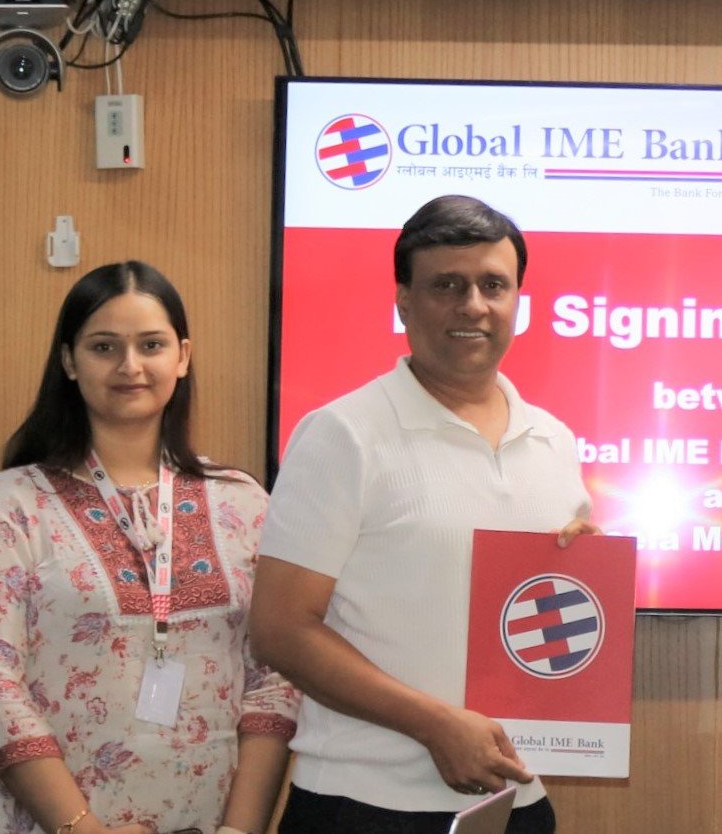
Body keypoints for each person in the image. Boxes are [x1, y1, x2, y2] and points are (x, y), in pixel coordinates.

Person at [251, 195, 596, 834]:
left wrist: (588, 571)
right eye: (447, 286)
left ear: (518, 299)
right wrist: (434, 725)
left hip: (516, 803)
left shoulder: (554, 440)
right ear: (404, 302)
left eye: (493, 285)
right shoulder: (342, 434)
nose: (473, 305)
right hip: (365, 806)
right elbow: (279, 629)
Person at [0, 261, 296, 834]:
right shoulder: (12, 504)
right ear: (69, 361)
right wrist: (83, 829)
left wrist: (239, 830)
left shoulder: (244, 503)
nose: (130, 366)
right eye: (104, 347)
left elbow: (275, 679)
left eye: (151, 345)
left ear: (182, 357)